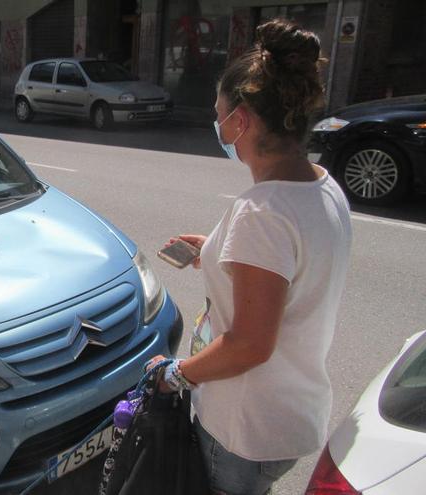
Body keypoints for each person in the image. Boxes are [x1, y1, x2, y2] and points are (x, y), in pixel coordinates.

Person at [147, 19, 352, 495]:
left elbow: (249, 346)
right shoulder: (321, 185)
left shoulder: (262, 213)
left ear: (240, 120)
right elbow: (292, 270)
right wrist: (217, 253)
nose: (217, 126)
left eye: (219, 115)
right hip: (290, 411)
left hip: (245, 427)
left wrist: (174, 375)